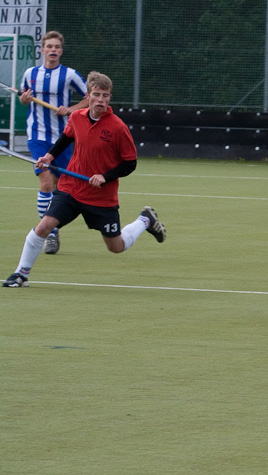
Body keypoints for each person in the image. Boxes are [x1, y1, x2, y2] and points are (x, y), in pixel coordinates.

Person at [3, 72, 165, 288]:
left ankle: (145, 220)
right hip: (71, 189)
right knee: (44, 227)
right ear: (87, 96)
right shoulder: (76, 117)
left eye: (105, 95)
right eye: (96, 95)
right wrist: (49, 156)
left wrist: (105, 177)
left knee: (116, 246)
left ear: (110, 98)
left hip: (101, 196)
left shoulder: (118, 128)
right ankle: (21, 275)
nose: (101, 100)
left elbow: (130, 163)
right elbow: (67, 137)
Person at [19, 30, 89, 255]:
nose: (53, 50)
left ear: (61, 51)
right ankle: (49, 234)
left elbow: (90, 97)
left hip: (63, 138)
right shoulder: (30, 74)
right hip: (37, 136)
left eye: (57, 47)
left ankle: (51, 226)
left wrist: (70, 109)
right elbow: (24, 98)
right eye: (49, 46)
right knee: (46, 183)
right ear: (42, 50)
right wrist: (24, 99)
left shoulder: (69, 75)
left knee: (61, 188)